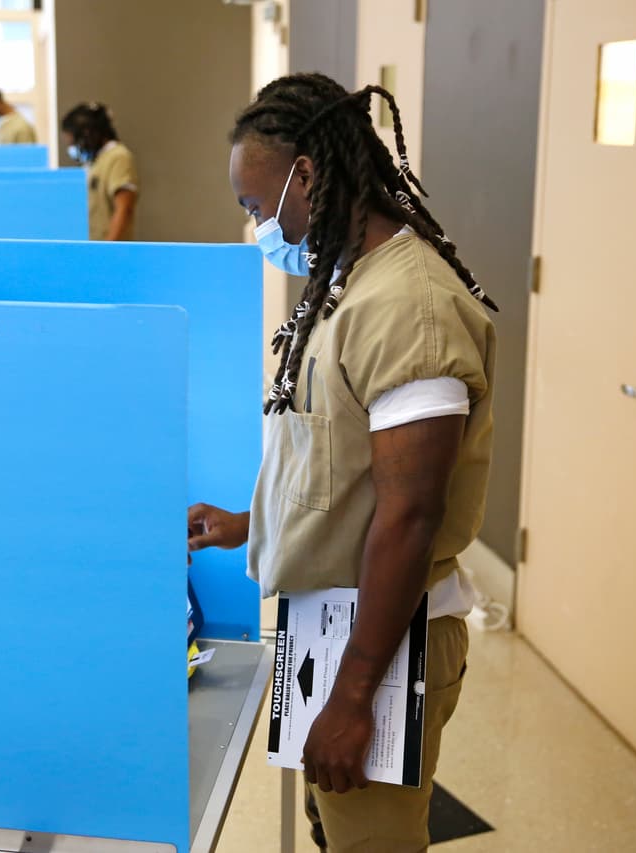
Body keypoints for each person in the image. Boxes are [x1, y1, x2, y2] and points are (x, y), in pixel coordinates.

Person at [188, 73, 498, 853]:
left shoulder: (408, 307)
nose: (255, 226)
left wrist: (355, 694)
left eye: (257, 207)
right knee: (338, 827)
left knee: (373, 844)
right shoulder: (346, 285)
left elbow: (410, 512)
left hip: (388, 638)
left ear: (308, 176)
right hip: (338, 624)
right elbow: (346, 469)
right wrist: (246, 523)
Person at [60, 102, 138, 241]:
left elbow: (124, 209)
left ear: (88, 134)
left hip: (109, 250)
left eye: (75, 142)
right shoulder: (96, 160)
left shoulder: (118, 157)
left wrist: (107, 249)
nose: (73, 148)